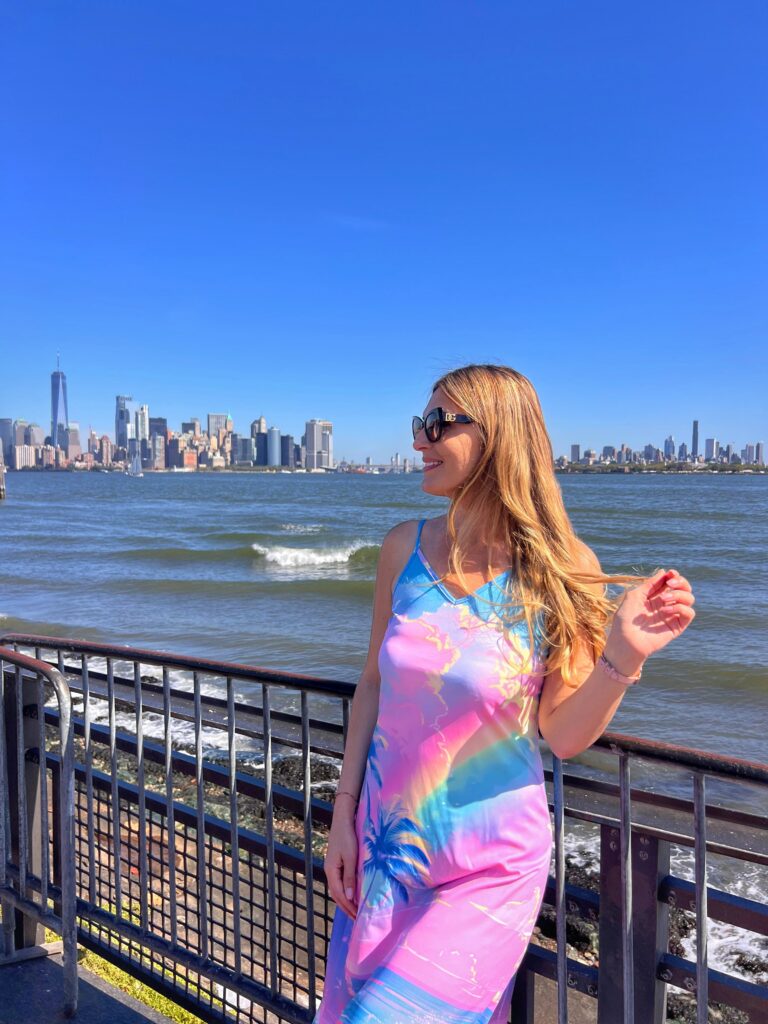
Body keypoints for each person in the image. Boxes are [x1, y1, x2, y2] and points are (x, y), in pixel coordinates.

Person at [313, 364, 695, 1024]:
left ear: (498, 437)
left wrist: (624, 654)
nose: (419, 441)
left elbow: (563, 734)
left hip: (488, 871)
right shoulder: (402, 548)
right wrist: (342, 816)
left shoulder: (563, 566)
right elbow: (372, 684)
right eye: (419, 424)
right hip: (385, 851)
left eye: (439, 424)